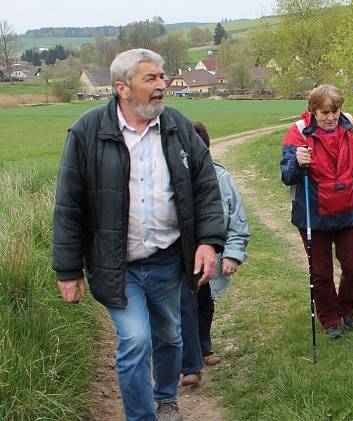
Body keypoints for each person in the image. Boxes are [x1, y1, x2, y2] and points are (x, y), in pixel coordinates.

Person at [52, 49, 226, 421]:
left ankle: (165, 398)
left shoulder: (178, 127)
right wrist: (68, 271)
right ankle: (140, 416)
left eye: (162, 77)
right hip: (116, 265)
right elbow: (69, 204)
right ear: (122, 87)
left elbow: (206, 187)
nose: (162, 85)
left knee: (170, 336)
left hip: (168, 259)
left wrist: (209, 241)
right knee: (134, 340)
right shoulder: (87, 132)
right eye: (151, 78)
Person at [280, 84, 353, 338]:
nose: (330, 117)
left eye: (334, 111)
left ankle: (346, 309)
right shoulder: (299, 133)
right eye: (324, 112)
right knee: (321, 271)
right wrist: (297, 161)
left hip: (347, 210)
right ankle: (329, 317)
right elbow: (287, 175)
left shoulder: (352, 125)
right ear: (312, 111)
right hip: (312, 215)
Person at [180, 122, 250, 387]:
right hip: (178, 258)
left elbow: (236, 219)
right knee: (180, 307)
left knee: (203, 304)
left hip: (208, 258)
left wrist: (232, 254)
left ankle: (202, 347)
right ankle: (186, 359)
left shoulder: (221, 178)